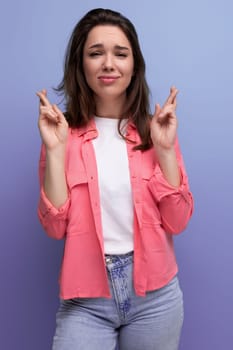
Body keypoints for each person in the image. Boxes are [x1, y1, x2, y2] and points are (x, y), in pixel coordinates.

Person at [37, 8, 193, 350]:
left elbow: (177, 222)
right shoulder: (61, 133)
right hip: (86, 298)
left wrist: (165, 151)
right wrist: (56, 150)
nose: (109, 63)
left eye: (120, 54)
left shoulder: (158, 130)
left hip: (155, 296)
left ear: (134, 65)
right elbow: (54, 228)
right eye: (96, 53)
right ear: (81, 66)